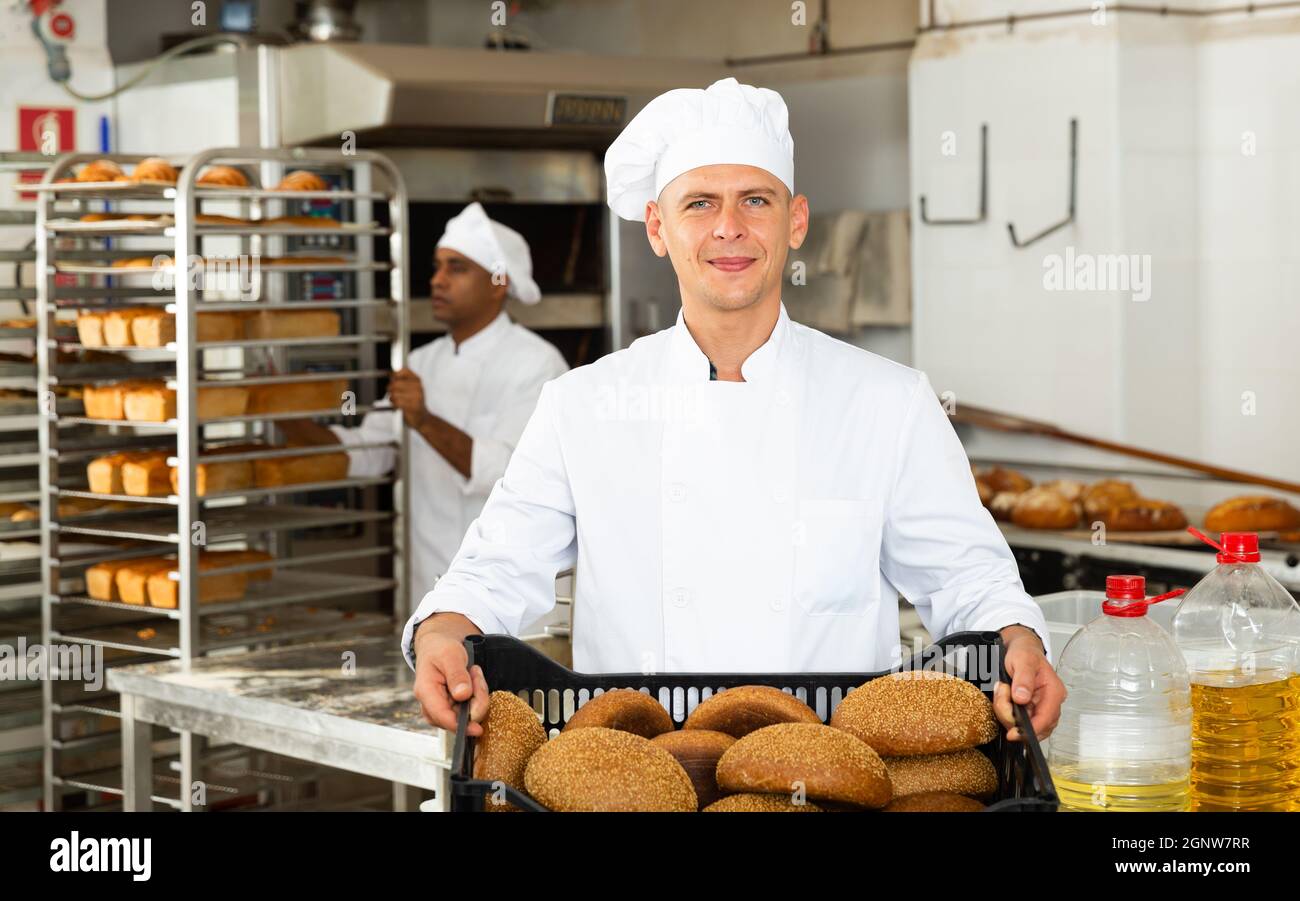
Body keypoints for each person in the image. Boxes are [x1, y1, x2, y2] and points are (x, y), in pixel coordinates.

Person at [405, 78, 1064, 743]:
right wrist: (444, 627)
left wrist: (1017, 638)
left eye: (756, 199)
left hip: (833, 780)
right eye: (699, 203)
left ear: (795, 221)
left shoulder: (888, 402)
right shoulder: (585, 405)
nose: (729, 227)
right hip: (638, 778)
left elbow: (968, 575)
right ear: (657, 229)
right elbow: (495, 567)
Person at [279, 202, 568, 612]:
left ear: (498, 282)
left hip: (507, 601)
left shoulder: (537, 364)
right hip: (427, 589)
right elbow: (366, 452)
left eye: (456, 268)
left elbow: (508, 474)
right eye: (436, 266)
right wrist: (276, 412)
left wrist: (425, 420)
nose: (437, 280)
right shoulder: (422, 363)